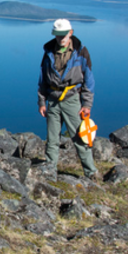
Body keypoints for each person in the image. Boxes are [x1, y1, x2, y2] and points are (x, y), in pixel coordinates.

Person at [38, 19, 98, 179]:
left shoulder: (80, 52)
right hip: (53, 101)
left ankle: (91, 172)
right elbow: (43, 79)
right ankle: (50, 172)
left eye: (63, 35)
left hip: (72, 100)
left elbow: (89, 80)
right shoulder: (49, 52)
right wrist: (42, 101)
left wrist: (87, 104)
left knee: (80, 137)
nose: (60, 38)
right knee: (52, 139)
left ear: (70, 33)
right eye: (58, 35)